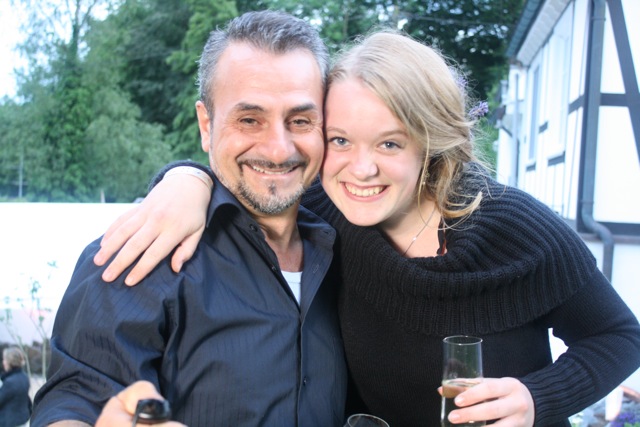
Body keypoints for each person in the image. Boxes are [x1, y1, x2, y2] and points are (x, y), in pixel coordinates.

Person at [93, 31, 640, 427]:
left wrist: (538, 398)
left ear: (429, 142)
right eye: (340, 140)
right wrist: (185, 179)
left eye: (390, 143)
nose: (361, 169)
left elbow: (619, 336)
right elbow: (253, 176)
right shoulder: (324, 211)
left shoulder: (515, 228)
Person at [30, 10, 348, 427]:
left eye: (300, 121)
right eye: (249, 120)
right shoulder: (143, 249)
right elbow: (76, 401)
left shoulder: (346, 243)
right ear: (206, 125)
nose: (278, 148)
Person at [0, 347, 31, 427]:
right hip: (22, 420)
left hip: (9, 422)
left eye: (4, 359)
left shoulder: (9, 382)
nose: (3, 362)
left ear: (10, 362)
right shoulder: (25, 377)